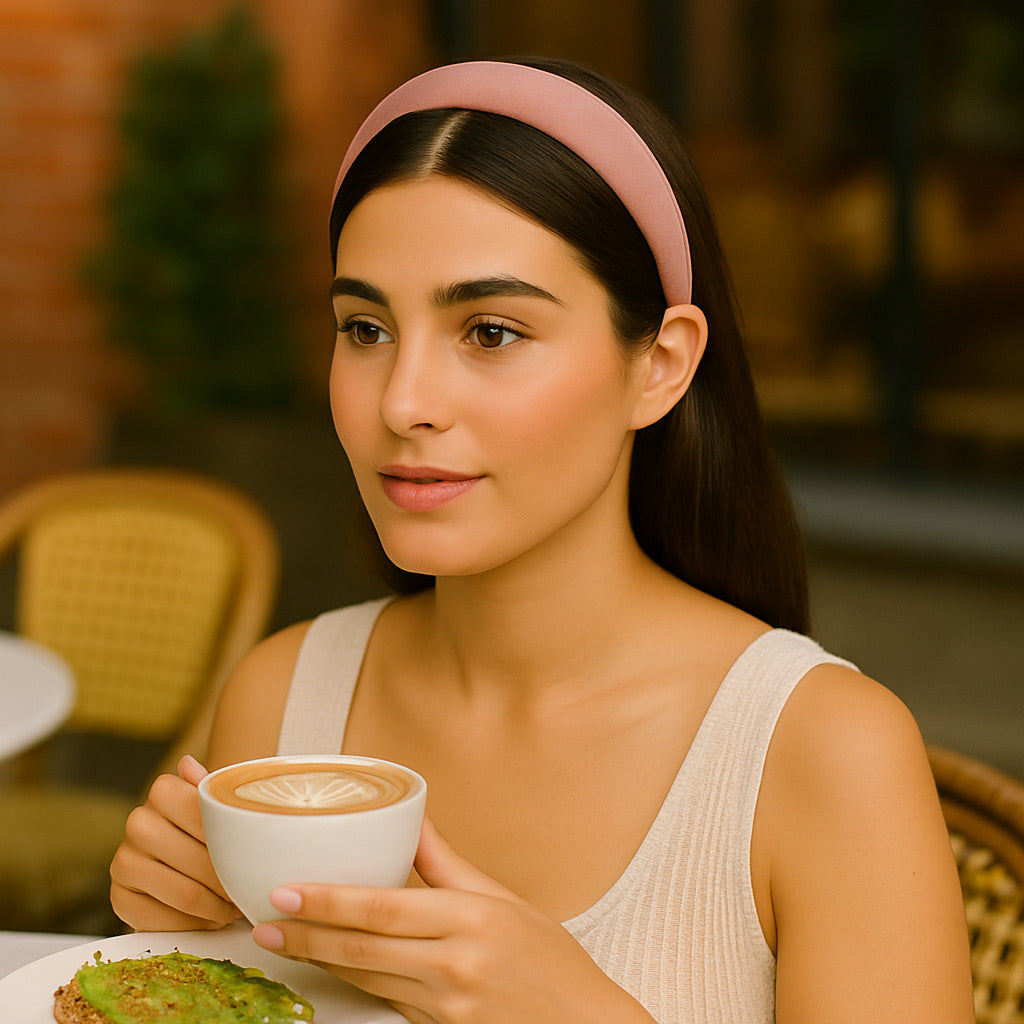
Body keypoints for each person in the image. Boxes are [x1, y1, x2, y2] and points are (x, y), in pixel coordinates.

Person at [110, 58, 975, 1024]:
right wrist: (174, 936)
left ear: (660, 365)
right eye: (365, 328)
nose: (403, 402)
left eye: (489, 331)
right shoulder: (282, 699)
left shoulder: (825, 752)